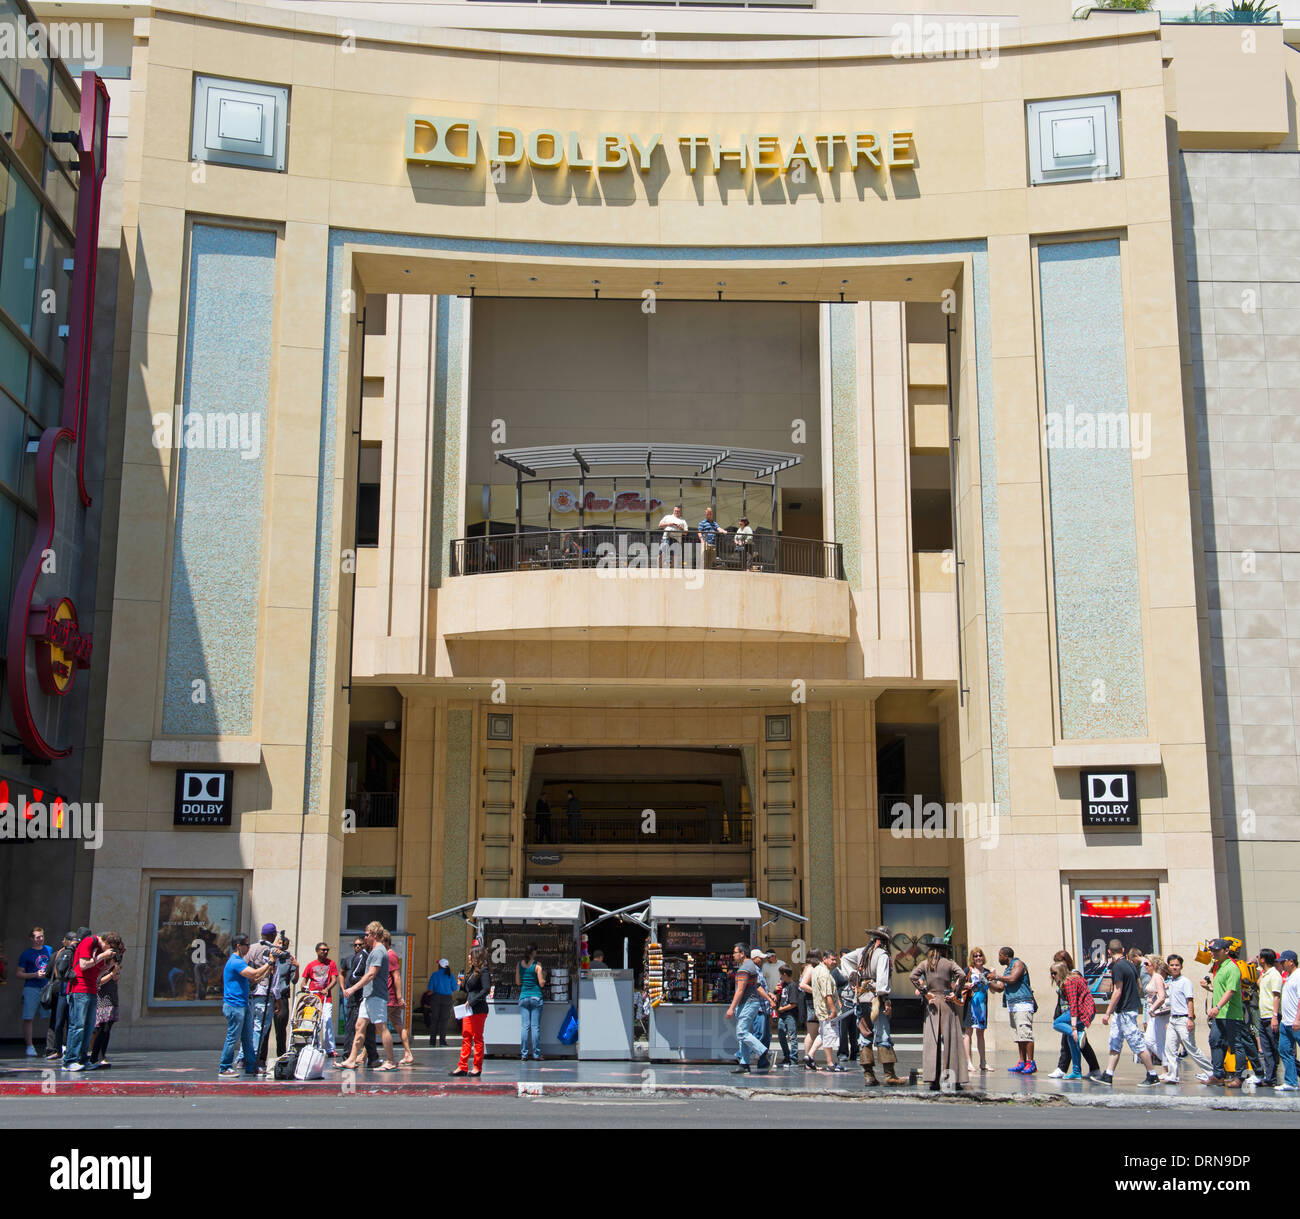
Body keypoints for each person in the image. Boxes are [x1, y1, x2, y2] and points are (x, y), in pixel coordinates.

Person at [1090, 938, 1161, 1087]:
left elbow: (1117, 991)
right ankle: (1108, 1075)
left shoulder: (1117, 968)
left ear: (1109, 952)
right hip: (1125, 1010)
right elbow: (1139, 985)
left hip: (1125, 1011)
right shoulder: (1130, 964)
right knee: (1115, 1041)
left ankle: (1152, 1075)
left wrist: (1107, 1012)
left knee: (1137, 1043)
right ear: (1122, 950)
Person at [339, 921, 397, 1071]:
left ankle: (390, 1060)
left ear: (375, 935)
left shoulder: (378, 951)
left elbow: (371, 974)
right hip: (368, 995)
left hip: (376, 995)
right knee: (359, 1026)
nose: (365, 938)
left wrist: (352, 989)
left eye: (367, 935)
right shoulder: (374, 951)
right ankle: (352, 1059)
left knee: (381, 1026)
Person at [910, 943, 968, 1091]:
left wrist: (924, 992)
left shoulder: (925, 963)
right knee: (952, 1040)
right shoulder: (949, 963)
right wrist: (956, 992)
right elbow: (962, 975)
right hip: (946, 1001)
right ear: (943, 950)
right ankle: (954, 1079)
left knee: (932, 1040)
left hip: (932, 1003)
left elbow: (913, 976)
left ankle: (933, 1080)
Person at [219, 933, 274, 1077]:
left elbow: (255, 978)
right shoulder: (235, 961)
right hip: (234, 1005)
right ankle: (224, 1067)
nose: (249, 947)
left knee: (248, 1037)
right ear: (238, 946)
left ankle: (251, 1066)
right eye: (246, 944)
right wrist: (269, 963)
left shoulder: (241, 961)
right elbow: (254, 973)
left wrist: (269, 967)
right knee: (233, 1037)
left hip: (244, 1004)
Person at [1202, 937, 1253, 1089]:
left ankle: (1239, 1077)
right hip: (1220, 1014)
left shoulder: (1232, 967)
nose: (1213, 953)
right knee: (1215, 1041)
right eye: (1212, 950)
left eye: (1217, 950)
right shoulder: (1219, 966)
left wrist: (1217, 1006)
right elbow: (1223, 989)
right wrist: (1209, 989)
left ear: (1226, 951)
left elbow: (1231, 991)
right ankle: (1218, 1075)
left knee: (1237, 1045)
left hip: (1231, 1014)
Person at [62, 929, 115, 1072]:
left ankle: (83, 1059)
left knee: (89, 1027)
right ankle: (70, 1060)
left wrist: (107, 968)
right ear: (106, 942)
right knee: (77, 1025)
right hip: (79, 989)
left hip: (91, 989)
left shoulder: (98, 950)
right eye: (110, 947)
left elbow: (96, 974)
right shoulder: (89, 942)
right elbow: (83, 964)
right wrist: (103, 955)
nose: (109, 951)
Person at [1160, 953, 1214, 1084]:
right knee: (1170, 1048)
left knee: (1192, 1049)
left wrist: (1190, 1019)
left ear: (1181, 966)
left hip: (1184, 1020)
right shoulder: (1171, 982)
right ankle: (1173, 1074)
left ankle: (1212, 1072)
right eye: (1172, 965)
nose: (1174, 967)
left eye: (1177, 965)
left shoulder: (1185, 982)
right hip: (1173, 1019)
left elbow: (1190, 1001)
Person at [859, 925, 903, 1086]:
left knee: (865, 1035)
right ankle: (889, 1075)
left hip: (862, 998)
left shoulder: (863, 953)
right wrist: (885, 1000)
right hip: (877, 999)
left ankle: (868, 1075)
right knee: (882, 1034)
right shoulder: (882, 955)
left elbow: (846, 961)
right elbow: (883, 982)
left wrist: (855, 982)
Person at [1048, 950, 1101, 1077]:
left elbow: (1073, 1004)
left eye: (1054, 973)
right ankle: (1077, 1071)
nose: (1053, 976)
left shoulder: (1070, 980)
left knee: (1058, 1024)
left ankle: (1064, 1068)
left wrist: (1073, 1027)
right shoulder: (1068, 980)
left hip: (1079, 1011)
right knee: (1073, 1040)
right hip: (1075, 1011)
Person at [987, 945, 1037, 1074]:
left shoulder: (1018, 964)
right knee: (1018, 1035)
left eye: (1000, 955)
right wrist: (987, 981)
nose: (999, 958)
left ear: (1006, 955)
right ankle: (1022, 1061)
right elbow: (1000, 988)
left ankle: (1031, 1062)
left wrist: (996, 976)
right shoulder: (1006, 970)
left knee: (1025, 1034)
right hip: (1013, 1005)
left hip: (1023, 1003)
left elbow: (1013, 978)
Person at [726, 943, 773, 1074]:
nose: (733, 955)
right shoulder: (752, 967)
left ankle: (764, 1052)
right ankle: (744, 1064)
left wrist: (731, 1008)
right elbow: (757, 986)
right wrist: (768, 999)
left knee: (741, 1033)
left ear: (742, 954)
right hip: (750, 1003)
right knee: (743, 1034)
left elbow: (740, 990)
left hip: (747, 1003)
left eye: (735, 952)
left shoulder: (744, 969)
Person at [451, 944, 491, 1077]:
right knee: (466, 1035)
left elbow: (486, 989)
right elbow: (469, 989)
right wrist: (461, 985)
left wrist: (473, 1001)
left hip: (478, 1008)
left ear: (477, 956)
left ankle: (477, 1067)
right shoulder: (472, 971)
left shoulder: (484, 971)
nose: (468, 957)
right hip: (468, 1009)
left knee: (477, 1037)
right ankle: (462, 1066)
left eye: (471, 954)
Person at [341, 936, 378, 1066]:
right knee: (353, 1027)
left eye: (360, 944)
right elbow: (352, 977)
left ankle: (372, 1057)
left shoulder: (369, 956)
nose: (358, 947)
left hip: (366, 998)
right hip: (357, 999)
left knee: (369, 1028)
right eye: (356, 945)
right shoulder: (359, 957)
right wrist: (365, 982)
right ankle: (348, 1056)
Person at [16, 926, 51, 1057]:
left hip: (46, 987)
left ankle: (52, 1045)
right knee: (28, 1016)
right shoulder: (26, 954)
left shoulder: (49, 950)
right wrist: (34, 975)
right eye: (37, 937)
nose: (40, 939)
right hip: (31, 987)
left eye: (41, 936)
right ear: (31, 938)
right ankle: (29, 1045)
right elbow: (19, 973)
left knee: (50, 1016)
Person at [381, 932, 415, 1066]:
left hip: (389, 997)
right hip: (391, 997)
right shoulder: (387, 955)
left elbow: (397, 977)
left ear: (386, 942)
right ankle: (408, 1053)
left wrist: (399, 997)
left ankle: (366, 1054)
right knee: (398, 1025)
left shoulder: (390, 955)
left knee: (378, 1025)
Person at [301, 942, 340, 1056]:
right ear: (317, 951)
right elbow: (304, 981)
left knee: (327, 1020)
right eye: (323, 950)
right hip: (313, 998)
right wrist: (304, 987)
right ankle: (315, 1045)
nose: (325, 952)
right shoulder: (311, 965)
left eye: (327, 950)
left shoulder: (331, 964)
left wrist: (327, 988)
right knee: (314, 1021)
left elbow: (334, 979)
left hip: (326, 998)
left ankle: (330, 1048)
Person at [44, 931, 77, 1061]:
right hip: (62, 991)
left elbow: (48, 973)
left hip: (62, 990)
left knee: (58, 1022)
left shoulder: (57, 954)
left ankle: (55, 1048)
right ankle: (59, 1048)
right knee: (62, 1021)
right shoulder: (62, 955)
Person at [811, 949, 844, 1071]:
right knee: (829, 1036)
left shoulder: (817, 970)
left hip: (821, 1009)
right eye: (832, 959)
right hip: (826, 1011)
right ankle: (830, 1063)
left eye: (835, 959)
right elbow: (827, 994)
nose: (834, 962)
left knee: (823, 1034)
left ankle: (809, 1056)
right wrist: (833, 1010)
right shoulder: (824, 973)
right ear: (824, 959)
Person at [269, 932, 299, 1061]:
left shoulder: (289, 959)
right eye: (280, 944)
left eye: (284, 945)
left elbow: (294, 980)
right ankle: (260, 1059)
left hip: (282, 996)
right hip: (269, 996)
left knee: (281, 1029)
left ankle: (281, 1057)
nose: (281, 947)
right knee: (265, 1028)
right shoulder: (270, 956)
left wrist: (297, 967)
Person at [1255, 948, 1283, 1087]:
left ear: (1263, 959)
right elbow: (1258, 984)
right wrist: (1262, 972)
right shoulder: (1265, 974)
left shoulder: (1274, 975)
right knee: (1266, 1050)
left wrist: (1275, 1016)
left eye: (1258, 957)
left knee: (1278, 1048)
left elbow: (1276, 996)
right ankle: (1270, 1078)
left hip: (1272, 1016)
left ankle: (1292, 1074)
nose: (1256, 959)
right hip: (1263, 1016)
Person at [962, 947, 990, 1073]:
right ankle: (968, 1062)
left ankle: (983, 1061)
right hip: (971, 1004)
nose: (978, 958)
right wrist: (966, 985)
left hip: (982, 1006)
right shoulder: (968, 970)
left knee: (981, 1033)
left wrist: (991, 979)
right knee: (968, 1032)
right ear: (972, 958)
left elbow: (994, 989)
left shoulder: (987, 972)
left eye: (980, 955)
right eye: (975, 956)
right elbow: (957, 984)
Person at [517, 943, 546, 1061]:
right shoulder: (537, 966)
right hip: (536, 997)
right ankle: (536, 1054)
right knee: (535, 1027)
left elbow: (518, 982)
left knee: (525, 1027)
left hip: (523, 997)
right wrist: (544, 976)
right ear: (534, 952)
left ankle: (524, 1054)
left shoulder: (519, 964)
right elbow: (541, 983)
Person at [1141, 954, 1170, 1069]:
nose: (1145, 966)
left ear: (1154, 965)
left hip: (1158, 1014)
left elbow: (1161, 996)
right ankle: (1167, 1065)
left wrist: (1152, 1008)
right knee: (1151, 1041)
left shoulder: (1157, 977)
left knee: (1152, 1040)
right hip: (1153, 1014)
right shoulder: (1153, 977)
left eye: (1147, 964)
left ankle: (1169, 1063)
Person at [1276, 949, 1299, 1093]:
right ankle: (1291, 1082)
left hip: (1296, 1023)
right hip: (1286, 1023)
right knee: (1284, 1050)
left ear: (1291, 961)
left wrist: (1297, 1019)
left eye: (1283, 962)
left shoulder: (1298, 976)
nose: (1282, 964)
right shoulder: (1289, 977)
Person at [798, 949, 823, 1070]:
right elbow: (803, 984)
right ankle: (808, 1058)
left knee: (813, 1032)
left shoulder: (808, 967)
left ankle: (809, 1058)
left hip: (811, 1001)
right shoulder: (810, 968)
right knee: (812, 1032)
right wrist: (817, 992)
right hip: (811, 1002)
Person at [426, 957, 457, 1046]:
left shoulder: (434, 975)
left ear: (439, 965)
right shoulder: (450, 975)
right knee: (444, 1020)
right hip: (447, 999)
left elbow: (430, 989)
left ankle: (432, 1042)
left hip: (436, 998)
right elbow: (455, 988)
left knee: (434, 1020)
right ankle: (442, 1041)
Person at [774, 965, 799, 1067]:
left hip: (790, 1015)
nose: (780, 977)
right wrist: (775, 991)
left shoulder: (792, 986)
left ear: (784, 974)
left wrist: (782, 1009)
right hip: (782, 1015)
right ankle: (786, 1056)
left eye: (781, 975)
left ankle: (793, 1059)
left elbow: (794, 1003)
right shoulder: (782, 985)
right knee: (781, 1035)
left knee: (792, 1036)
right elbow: (777, 996)